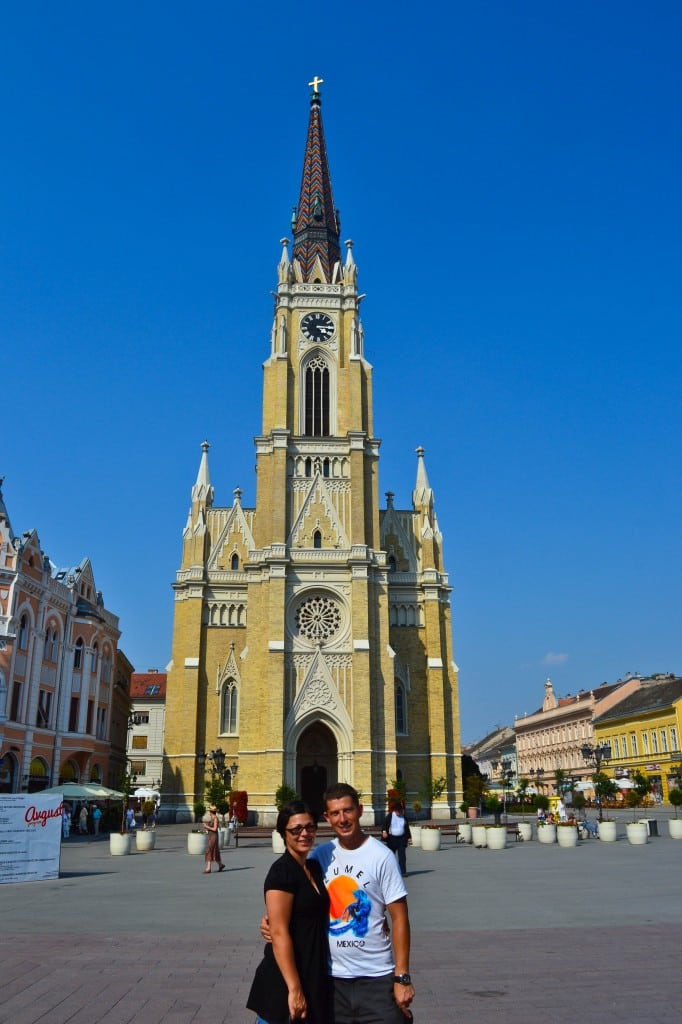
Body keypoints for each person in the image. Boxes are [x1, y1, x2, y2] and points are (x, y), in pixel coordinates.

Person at [261, 783, 415, 1023]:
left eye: (348, 811)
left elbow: (400, 918)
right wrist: (271, 923)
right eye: (335, 813)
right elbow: (292, 902)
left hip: (375, 976)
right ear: (327, 817)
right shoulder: (320, 856)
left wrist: (402, 976)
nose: (342, 819)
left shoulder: (381, 856)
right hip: (330, 979)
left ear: (360, 811)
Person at [247, 801, 331, 1023]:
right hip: (284, 981)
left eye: (310, 827)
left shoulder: (312, 867)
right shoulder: (281, 872)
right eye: (296, 830)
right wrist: (294, 989)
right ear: (283, 834)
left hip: (311, 971)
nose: (304, 834)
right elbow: (279, 933)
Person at [381, 801, 412, 876]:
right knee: (390, 857)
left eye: (400, 810)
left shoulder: (403, 817)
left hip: (401, 839)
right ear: (395, 810)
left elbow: (406, 828)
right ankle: (388, 872)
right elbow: (385, 825)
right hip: (392, 839)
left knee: (402, 856)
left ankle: (403, 872)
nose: (399, 812)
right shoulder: (390, 816)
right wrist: (384, 832)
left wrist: (409, 837)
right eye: (398, 811)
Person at [203, 804, 226, 873]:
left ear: (211, 811)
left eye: (209, 811)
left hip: (214, 836)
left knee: (210, 850)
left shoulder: (215, 818)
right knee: (214, 851)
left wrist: (207, 827)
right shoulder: (212, 818)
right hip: (211, 836)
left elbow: (215, 828)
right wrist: (207, 827)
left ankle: (208, 868)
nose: (209, 812)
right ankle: (220, 865)